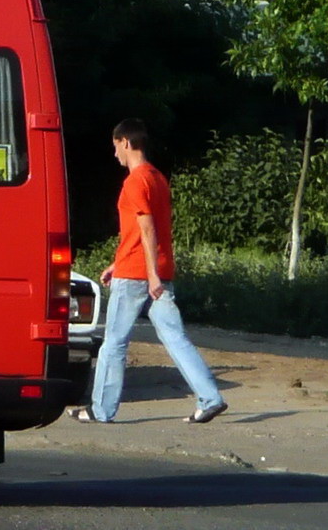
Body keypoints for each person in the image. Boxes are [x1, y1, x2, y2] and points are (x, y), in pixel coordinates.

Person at [68, 118, 227, 424]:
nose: (115, 154)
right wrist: (122, 264)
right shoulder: (158, 178)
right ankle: (210, 398)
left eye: (115, 147)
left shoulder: (135, 181)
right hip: (154, 269)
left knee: (114, 343)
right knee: (176, 338)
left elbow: (148, 228)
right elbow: (143, 232)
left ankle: (100, 409)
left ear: (125, 142)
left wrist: (148, 273)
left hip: (139, 275)